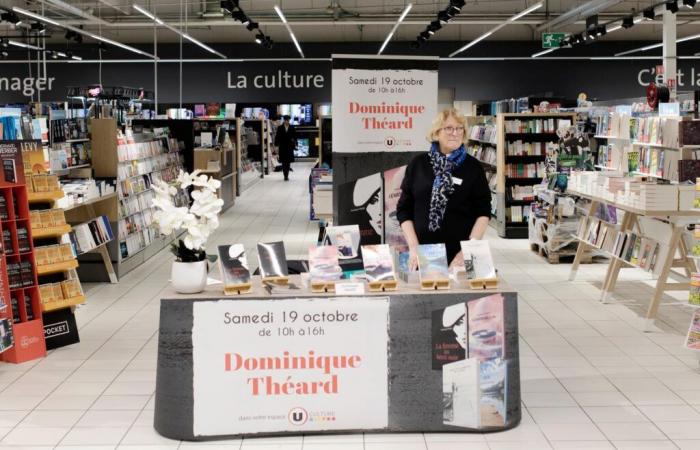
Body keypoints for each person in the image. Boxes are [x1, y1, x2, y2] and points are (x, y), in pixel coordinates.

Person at [396, 108, 491, 271]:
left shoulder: (473, 167)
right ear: (437, 132)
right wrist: (414, 247)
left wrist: (467, 251)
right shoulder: (418, 164)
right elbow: (404, 209)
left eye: (459, 128)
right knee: (424, 295)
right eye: (448, 128)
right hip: (422, 254)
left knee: (462, 296)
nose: (455, 133)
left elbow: (483, 211)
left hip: (460, 255)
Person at [274, 115, 296, 181]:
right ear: (284, 120)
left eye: (288, 120)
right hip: (282, 146)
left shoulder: (292, 127)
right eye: (286, 120)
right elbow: (277, 137)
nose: (287, 121)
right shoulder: (280, 128)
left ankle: (287, 175)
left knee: (288, 162)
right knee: (283, 162)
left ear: (289, 120)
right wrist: (276, 144)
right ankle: (285, 176)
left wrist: (294, 143)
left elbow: (295, 136)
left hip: (289, 147)